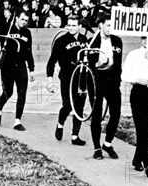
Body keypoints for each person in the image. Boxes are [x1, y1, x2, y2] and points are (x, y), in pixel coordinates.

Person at [121, 35, 148, 176]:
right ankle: (147, 163)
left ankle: (136, 159)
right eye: (144, 38)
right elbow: (124, 75)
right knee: (140, 126)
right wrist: (136, 79)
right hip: (138, 92)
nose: (147, 41)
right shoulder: (133, 54)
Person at [46, 15, 88, 146]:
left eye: (74, 25)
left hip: (81, 78)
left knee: (79, 107)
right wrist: (50, 81)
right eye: (69, 25)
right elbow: (51, 62)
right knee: (68, 106)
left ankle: (75, 136)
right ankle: (60, 124)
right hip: (66, 78)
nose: (70, 27)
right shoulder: (61, 41)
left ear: (80, 26)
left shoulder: (84, 39)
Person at [0, 10, 35, 130]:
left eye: (26, 20)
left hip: (21, 66)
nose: (24, 22)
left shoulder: (27, 32)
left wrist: (31, 69)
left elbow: (28, 52)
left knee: (22, 93)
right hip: (7, 65)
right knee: (8, 92)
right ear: (16, 18)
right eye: (22, 19)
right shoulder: (6, 28)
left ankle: (17, 121)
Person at [88, 14, 123, 160]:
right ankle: (97, 147)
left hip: (112, 78)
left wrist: (117, 79)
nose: (110, 28)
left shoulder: (117, 40)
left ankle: (107, 144)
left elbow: (118, 62)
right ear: (101, 25)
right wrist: (97, 65)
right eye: (108, 25)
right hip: (96, 79)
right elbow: (88, 64)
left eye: (112, 25)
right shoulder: (92, 41)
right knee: (97, 113)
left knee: (116, 112)